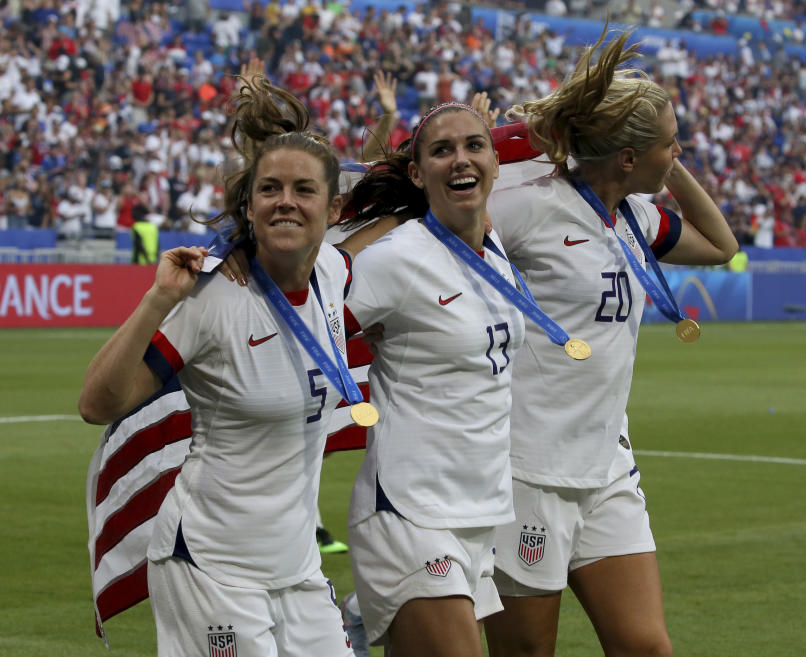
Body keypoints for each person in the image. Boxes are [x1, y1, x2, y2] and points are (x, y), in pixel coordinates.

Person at [78, 66, 392, 657]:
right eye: (269, 189)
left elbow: (408, 201)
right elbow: (97, 404)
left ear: (333, 208)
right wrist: (159, 299)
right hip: (210, 566)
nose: (285, 203)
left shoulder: (333, 272)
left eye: (304, 191)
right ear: (248, 206)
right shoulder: (214, 296)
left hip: (295, 568)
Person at [482, 28, 737, 657]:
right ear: (626, 157)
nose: (678, 151)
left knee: (647, 648)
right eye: (669, 145)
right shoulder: (525, 208)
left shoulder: (635, 217)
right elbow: (432, 231)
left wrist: (668, 162)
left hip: (607, 466)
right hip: (527, 470)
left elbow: (722, 246)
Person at [338, 101, 544, 657]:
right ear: (415, 171)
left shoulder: (496, 255)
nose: (461, 159)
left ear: (497, 163)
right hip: (411, 509)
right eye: (442, 150)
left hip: (481, 511)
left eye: (475, 146)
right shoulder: (397, 259)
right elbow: (314, 325)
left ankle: (355, 624)